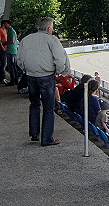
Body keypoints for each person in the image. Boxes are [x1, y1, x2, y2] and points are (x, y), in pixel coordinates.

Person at [17, 17, 70, 146]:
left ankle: (34, 134)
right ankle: (47, 138)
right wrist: (59, 72)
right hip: (46, 76)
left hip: (30, 76)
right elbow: (59, 58)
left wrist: (26, 69)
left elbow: (19, 59)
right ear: (48, 28)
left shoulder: (26, 39)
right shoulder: (52, 40)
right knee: (48, 108)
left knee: (34, 104)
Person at [5, 20, 19, 86]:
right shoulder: (11, 31)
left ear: (9, 24)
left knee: (12, 66)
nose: (5, 25)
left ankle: (13, 81)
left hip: (11, 51)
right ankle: (15, 80)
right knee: (13, 66)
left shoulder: (11, 31)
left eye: (6, 24)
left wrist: (5, 43)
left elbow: (12, 41)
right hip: (12, 50)